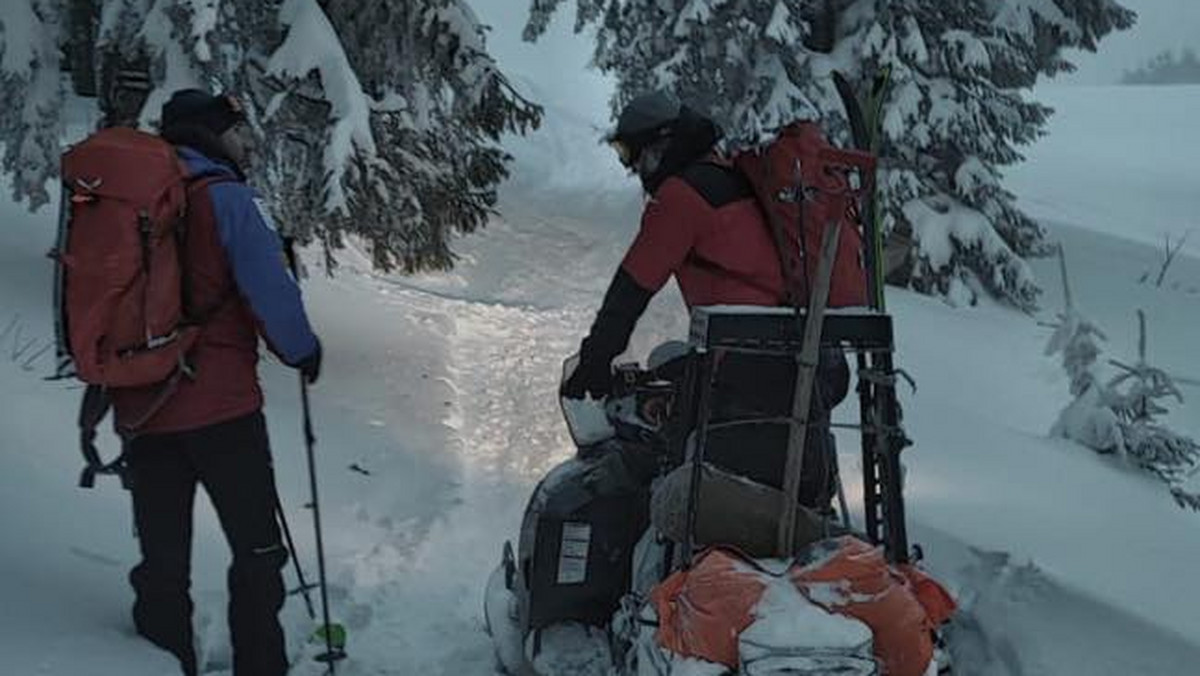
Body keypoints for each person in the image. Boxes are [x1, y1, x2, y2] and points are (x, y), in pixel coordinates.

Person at [110, 89, 322, 676]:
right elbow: (269, 291)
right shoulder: (224, 197)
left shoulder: (133, 198)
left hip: (142, 406)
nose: (243, 141)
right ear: (213, 132)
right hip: (221, 411)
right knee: (256, 552)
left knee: (163, 558)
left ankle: (160, 660)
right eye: (236, 130)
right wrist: (303, 351)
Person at [561, 91, 849, 509]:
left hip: (752, 369)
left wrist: (594, 360)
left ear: (661, 145)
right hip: (805, 361)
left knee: (662, 464)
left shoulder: (681, 197)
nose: (632, 168)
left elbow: (632, 288)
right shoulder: (732, 179)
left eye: (632, 154)